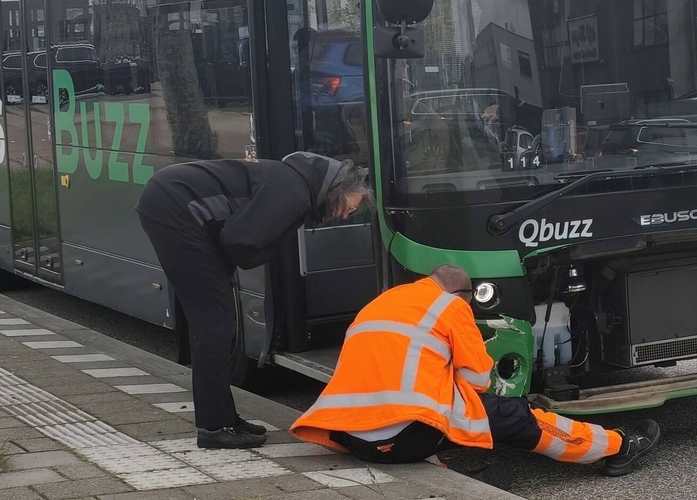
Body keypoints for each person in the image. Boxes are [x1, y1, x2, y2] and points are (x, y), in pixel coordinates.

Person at [290, 265, 660, 477]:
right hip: (401, 442)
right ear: (462, 296)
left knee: (443, 407)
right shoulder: (449, 308)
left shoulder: (378, 305)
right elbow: (477, 381)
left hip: (353, 439)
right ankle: (618, 446)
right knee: (516, 416)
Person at [135, 152, 373, 450]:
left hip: (175, 204)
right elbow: (240, 241)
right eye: (351, 207)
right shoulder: (294, 193)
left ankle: (224, 418)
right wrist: (261, 254)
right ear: (340, 189)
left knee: (217, 323)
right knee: (214, 324)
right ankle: (213, 427)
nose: (346, 214)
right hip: (176, 209)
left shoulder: (293, 184)